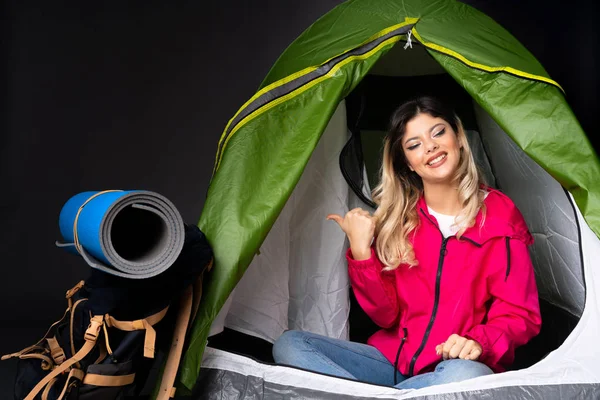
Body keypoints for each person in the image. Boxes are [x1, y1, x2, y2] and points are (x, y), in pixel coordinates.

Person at [272, 96, 542, 390]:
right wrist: (362, 251)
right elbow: (385, 315)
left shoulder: (500, 215)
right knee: (291, 345)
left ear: (459, 138)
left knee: (468, 378)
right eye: (414, 145)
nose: (430, 147)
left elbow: (520, 313)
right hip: (391, 363)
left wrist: (479, 341)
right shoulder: (402, 220)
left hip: (450, 368)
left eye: (438, 132)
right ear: (408, 164)